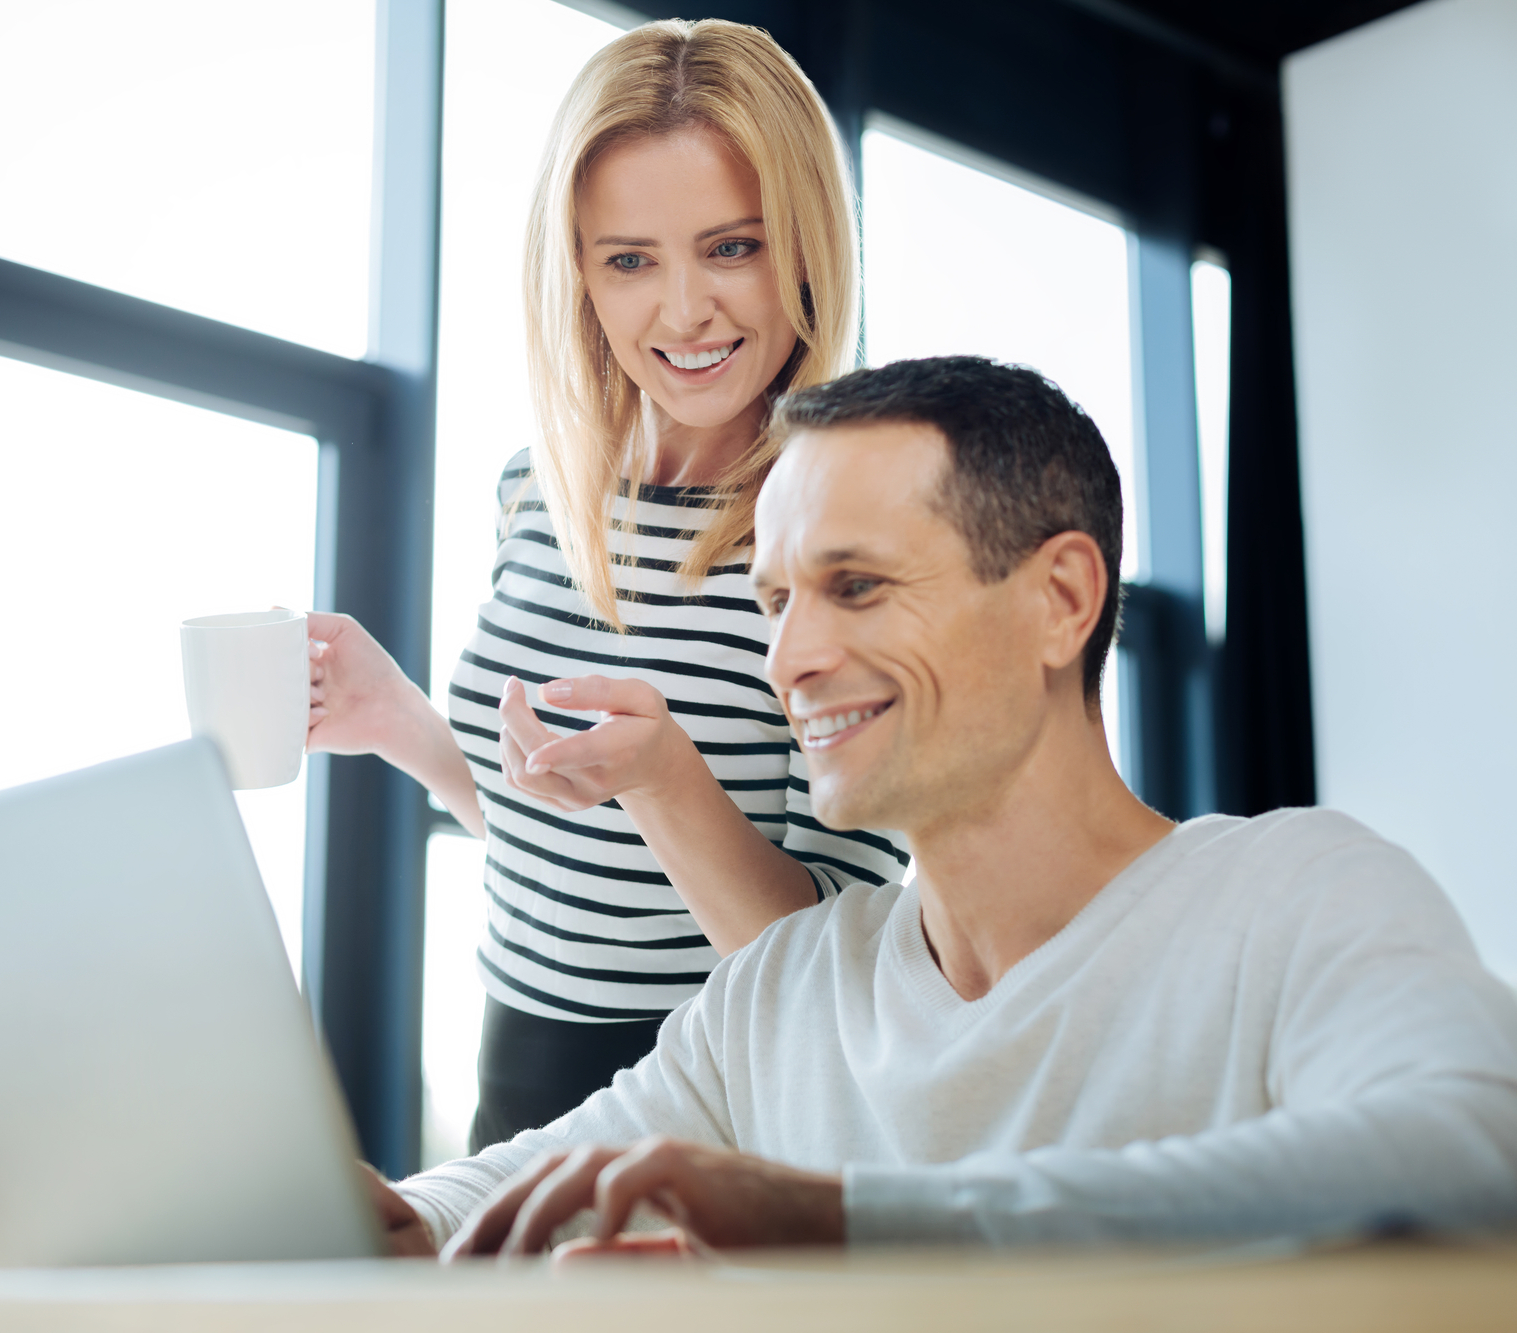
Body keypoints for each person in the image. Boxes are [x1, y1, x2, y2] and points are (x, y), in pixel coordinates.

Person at [361, 356, 1517, 1257]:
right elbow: (520, 1185)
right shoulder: (780, 992)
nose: (790, 658)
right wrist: (401, 1218)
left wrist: (840, 1224)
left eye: (855, 586)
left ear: (1061, 600)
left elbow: (1474, 1155)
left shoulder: (1297, 894)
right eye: (776, 601)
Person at [306, 19, 904, 1152]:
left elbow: (845, 976)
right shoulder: (538, 487)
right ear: (575, 272)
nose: (683, 311)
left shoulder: (852, 535)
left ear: (810, 244)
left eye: (732, 246)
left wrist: (669, 782)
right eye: (629, 259)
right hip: (515, 1094)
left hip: (717, 1111)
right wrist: (407, 727)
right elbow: (570, 856)